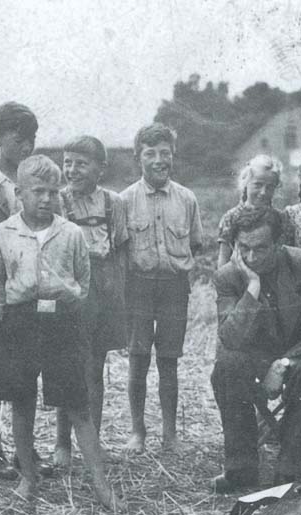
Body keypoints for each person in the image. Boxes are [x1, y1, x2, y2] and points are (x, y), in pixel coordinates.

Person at [0, 155, 120, 508]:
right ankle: (28, 478)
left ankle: (100, 484)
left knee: (78, 404)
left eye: (51, 191)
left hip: (62, 322)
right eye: (37, 192)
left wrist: (68, 303)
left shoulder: (71, 233)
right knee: (22, 402)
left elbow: (83, 279)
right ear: (19, 193)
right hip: (21, 322)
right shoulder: (3, 234)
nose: (45, 199)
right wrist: (11, 316)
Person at [210, 206, 301, 493]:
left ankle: (288, 471)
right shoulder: (227, 277)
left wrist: (284, 363)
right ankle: (241, 469)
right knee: (227, 365)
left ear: (279, 243)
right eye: (243, 248)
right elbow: (231, 338)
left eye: (261, 249)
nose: (251, 257)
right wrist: (252, 287)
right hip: (256, 356)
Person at [119, 123, 203, 453]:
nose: (158, 160)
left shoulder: (186, 198)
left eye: (164, 153)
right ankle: (138, 433)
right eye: (150, 153)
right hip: (137, 287)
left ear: (173, 156)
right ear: (138, 157)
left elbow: (196, 243)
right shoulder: (124, 200)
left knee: (169, 361)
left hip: (174, 287)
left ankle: (171, 435)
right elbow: (120, 250)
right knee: (138, 360)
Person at [54, 136, 128, 467]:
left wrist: (117, 290)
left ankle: (93, 443)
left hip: (104, 290)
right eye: (67, 162)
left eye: (81, 164)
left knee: (94, 368)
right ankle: (62, 445)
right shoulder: (57, 201)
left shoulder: (113, 203)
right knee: (67, 367)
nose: (72, 170)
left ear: (101, 168)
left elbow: (121, 249)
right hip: (70, 290)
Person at [0, 101, 41, 480]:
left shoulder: (35, 179)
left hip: (29, 290)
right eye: (19, 140)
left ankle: (24, 447)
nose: (26, 148)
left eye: (31, 140)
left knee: (26, 372)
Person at [216, 154, 295, 268]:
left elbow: (287, 256)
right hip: (241, 278)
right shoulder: (231, 217)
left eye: (270, 187)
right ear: (246, 183)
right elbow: (223, 258)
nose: (263, 192)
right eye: (258, 185)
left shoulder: (281, 218)